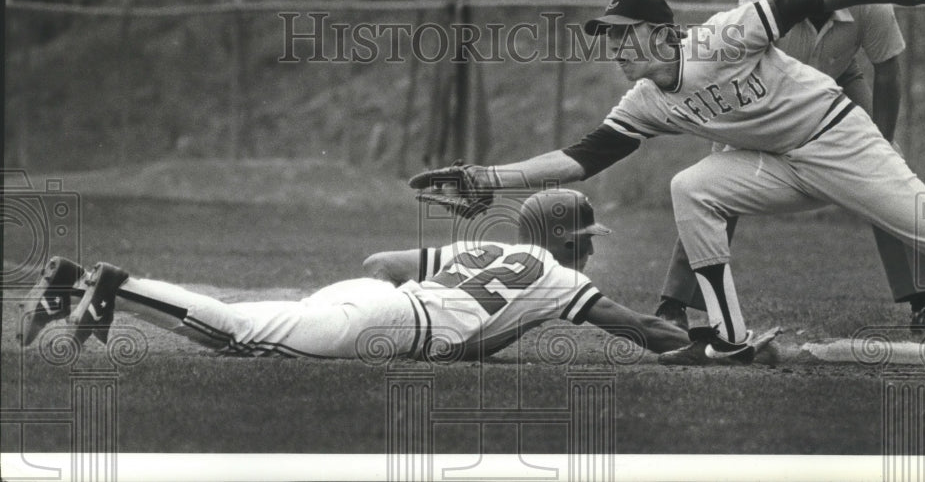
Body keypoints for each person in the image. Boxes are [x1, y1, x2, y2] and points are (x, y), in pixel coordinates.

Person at [409, 0, 925, 363]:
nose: (615, 47)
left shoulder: (717, 40)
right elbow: (582, 158)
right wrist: (488, 178)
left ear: (664, 34)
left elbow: (795, 0)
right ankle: (731, 338)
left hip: (839, 140)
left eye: (625, 34)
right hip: (777, 162)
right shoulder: (645, 100)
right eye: (608, 39)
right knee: (691, 186)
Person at [656, 0, 925, 334]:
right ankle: (672, 304)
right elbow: (730, 70)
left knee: (892, 176)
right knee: (709, 186)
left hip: (837, 84)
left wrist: (882, 144)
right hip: (761, 93)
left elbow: (887, 71)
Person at [18, 189, 697, 362]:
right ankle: (112, 283)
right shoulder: (554, 277)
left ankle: (73, 284)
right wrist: (712, 347)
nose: (590, 251)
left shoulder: (475, 249)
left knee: (242, 323)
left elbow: (380, 265)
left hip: (373, 297)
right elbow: (636, 327)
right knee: (235, 335)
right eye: (586, 239)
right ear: (566, 240)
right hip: (390, 321)